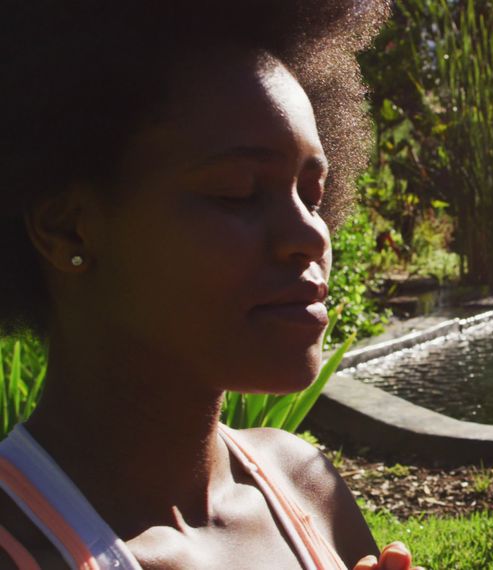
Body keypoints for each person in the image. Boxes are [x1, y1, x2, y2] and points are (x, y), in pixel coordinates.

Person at [0, 2, 421, 568]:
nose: (310, 235)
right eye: (236, 192)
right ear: (66, 227)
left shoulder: (304, 488)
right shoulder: (22, 548)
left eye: (312, 195)